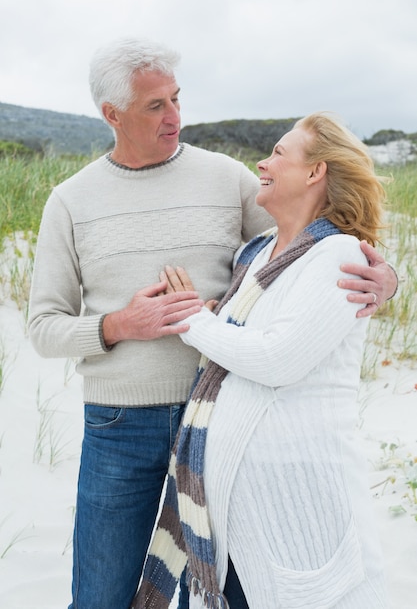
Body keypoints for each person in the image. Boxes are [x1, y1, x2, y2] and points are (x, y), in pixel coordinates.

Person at [27, 35, 395, 609]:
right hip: (119, 427)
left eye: (177, 98)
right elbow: (43, 327)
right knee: (101, 596)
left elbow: (311, 230)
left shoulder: (226, 178)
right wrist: (121, 324)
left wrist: (386, 276)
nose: (176, 117)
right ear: (112, 114)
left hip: (225, 423)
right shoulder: (69, 202)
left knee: (222, 590)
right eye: (156, 106)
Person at [136, 112, 390, 609]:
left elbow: (278, 358)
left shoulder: (338, 255)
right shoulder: (257, 254)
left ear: (315, 172)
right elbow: (244, 338)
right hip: (234, 509)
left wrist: (194, 322)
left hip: (295, 507)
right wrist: (211, 320)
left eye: (278, 153)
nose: (262, 162)